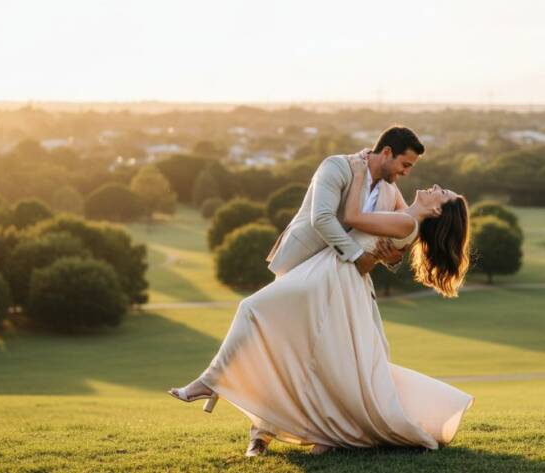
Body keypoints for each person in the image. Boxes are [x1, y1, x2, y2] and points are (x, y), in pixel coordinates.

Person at [169, 126, 474, 456]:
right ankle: (261, 430)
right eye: (406, 164)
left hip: (336, 280)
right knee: (281, 344)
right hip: (306, 267)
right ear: (386, 152)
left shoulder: (392, 194)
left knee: (318, 356)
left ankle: (316, 430)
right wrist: (369, 254)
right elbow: (323, 219)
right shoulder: (337, 166)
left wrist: (386, 256)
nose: (407, 173)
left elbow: (387, 233)